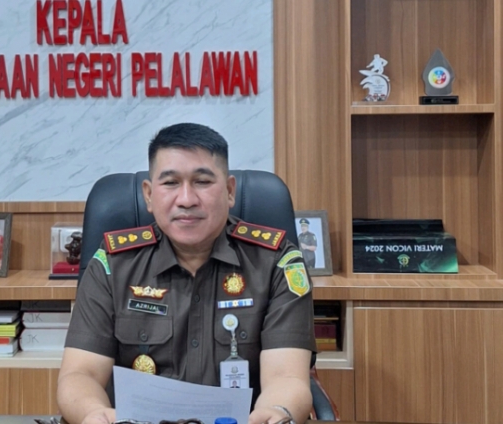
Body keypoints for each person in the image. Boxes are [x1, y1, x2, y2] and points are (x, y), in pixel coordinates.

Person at [57, 123, 316, 424]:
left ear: (229, 191)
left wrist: (277, 412)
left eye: (202, 182)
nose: (186, 199)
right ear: (149, 195)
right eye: (170, 183)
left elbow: (287, 377)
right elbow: (81, 374)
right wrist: (93, 414)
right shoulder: (112, 265)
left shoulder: (277, 262)